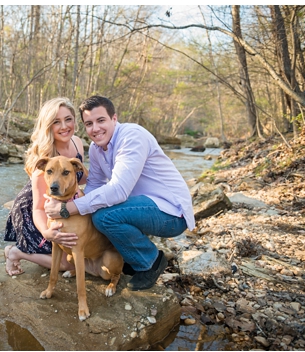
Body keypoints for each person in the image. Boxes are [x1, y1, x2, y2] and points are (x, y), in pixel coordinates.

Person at [44, 95, 194, 291]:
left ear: (114, 119)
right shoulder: (97, 149)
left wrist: (66, 209)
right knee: (97, 214)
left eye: (101, 120)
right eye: (89, 123)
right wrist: (73, 205)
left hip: (171, 212)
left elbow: (119, 190)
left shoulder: (132, 137)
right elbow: (95, 184)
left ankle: (151, 261)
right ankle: (131, 257)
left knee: (104, 216)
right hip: (141, 208)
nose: (95, 128)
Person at [3, 97, 85, 275]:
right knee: (67, 263)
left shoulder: (77, 143)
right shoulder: (46, 155)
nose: (64, 126)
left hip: (61, 202)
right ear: (48, 125)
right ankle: (15, 252)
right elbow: (38, 208)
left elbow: (79, 179)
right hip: (34, 208)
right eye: (56, 122)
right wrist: (47, 232)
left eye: (68, 119)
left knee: (80, 251)